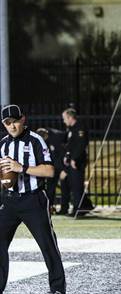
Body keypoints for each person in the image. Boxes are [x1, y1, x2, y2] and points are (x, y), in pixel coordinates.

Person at [0, 104, 66, 293]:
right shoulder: (3, 144)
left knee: (47, 245)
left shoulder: (36, 140)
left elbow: (50, 170)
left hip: (33, 200)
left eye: (15, 121)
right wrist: (4, 180)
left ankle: (57, 289)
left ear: (23, 119)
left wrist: (22, 168)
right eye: (7, 123)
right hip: (10, 201)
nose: (12, 126)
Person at [61, 108, 94, 217]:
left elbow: (81, 144)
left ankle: (78, 210)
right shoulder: (71, 128)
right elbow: (71, 145)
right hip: (71, 161)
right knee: (73, 184)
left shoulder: (80, 127)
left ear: (70, 117)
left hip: (77, 161)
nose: (64, 121)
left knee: (77, 185)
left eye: (65, 118)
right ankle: (85, 206)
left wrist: (74, 159)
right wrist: (67, 156)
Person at [36, 128, 66, 214]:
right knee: (50, 189)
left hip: (60, 168)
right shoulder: (44, 142)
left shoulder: (56, 139)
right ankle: (49, 207)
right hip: (52, 169)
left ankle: (64, 208)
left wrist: (64, 170)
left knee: (65, 188)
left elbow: (61, 154)